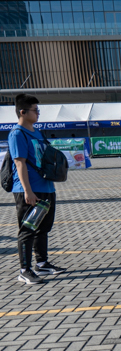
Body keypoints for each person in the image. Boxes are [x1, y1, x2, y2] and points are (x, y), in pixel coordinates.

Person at [9, 94, 66, 285]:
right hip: (29, 189)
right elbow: (20, 164)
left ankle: (42, 263)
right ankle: (25, 270)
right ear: (22, 112)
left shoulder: (38, 132)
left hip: (46, 187)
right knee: (28, 229)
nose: (38, 113)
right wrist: (27, 191)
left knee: (43, 227)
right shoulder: (18, 134)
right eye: (35, 110)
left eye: (38, 110)